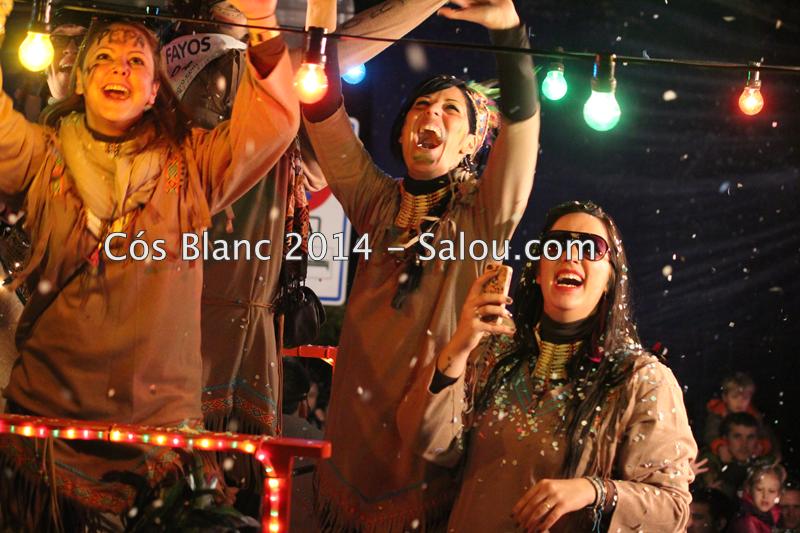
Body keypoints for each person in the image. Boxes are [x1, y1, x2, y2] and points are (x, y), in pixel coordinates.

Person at [0, 0, 298, 526]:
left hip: (158, 443)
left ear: (156, 89)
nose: (119, 68)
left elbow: (274, 122)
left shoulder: (193, 163)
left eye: (136, 61)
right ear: (81, 81)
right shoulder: (42, 154)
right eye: (103, 58)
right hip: (45, 441)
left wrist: (262, 22)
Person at [302, 0, 540, 528]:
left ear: (472, 142)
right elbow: (321, 113)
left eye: (451, 109)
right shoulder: (377, 203)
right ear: (402, 130)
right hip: (348, 458)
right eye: (421, 105)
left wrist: (509, 33)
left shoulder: (483, 216)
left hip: (427, 458)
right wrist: (319, 16)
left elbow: (522, 129)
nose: (430, 113)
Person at [397, 201, 698, 531]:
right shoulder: (492, 352)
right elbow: (428, 443)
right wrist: (459, 346)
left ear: (611, 278)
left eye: (590, 248)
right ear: (539, 272)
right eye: (556, 245)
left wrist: (594, 491)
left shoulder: (640, 379)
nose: (570, 255)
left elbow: (672, 510)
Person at [729, 463, 786, 533]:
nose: (765, 496)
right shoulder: (747, 521)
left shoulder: (776, 517)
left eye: (771, 491)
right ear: (749, 489)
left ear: (779, 494)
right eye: (759, 489)